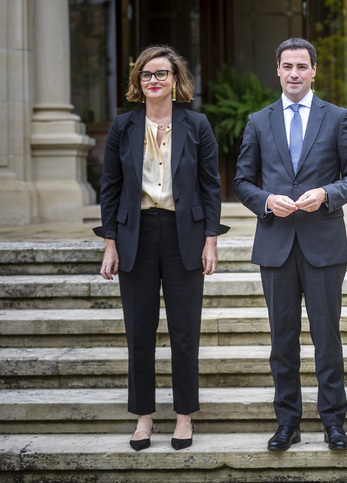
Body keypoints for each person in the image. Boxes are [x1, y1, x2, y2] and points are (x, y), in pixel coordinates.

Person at [234, 38, 347, 451]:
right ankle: (287, 423)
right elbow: (241, 181)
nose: (294, 73)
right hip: (275, 242)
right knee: (282, 341)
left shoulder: (338, 117)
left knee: (327, 338)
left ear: (313, 71)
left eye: (301, 66)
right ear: (277, 69)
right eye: (287, 66)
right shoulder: (259, 120)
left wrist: (327, 193)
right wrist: (265, 201)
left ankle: (333, 423)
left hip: (323, 244)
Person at [94, 45, 228, 451]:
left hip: (182, 235)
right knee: (139, 333)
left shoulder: (197, 124)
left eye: (162, 74)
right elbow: (111, 188)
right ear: (138, 81)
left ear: (176, 80)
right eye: (146, 74)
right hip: (135, 235)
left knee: (184, 333)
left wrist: (211, 241)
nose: (154, 80)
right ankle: (144, 417)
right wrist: (109, 244)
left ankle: (184, 416)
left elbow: (210, 186)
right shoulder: (123, 126)